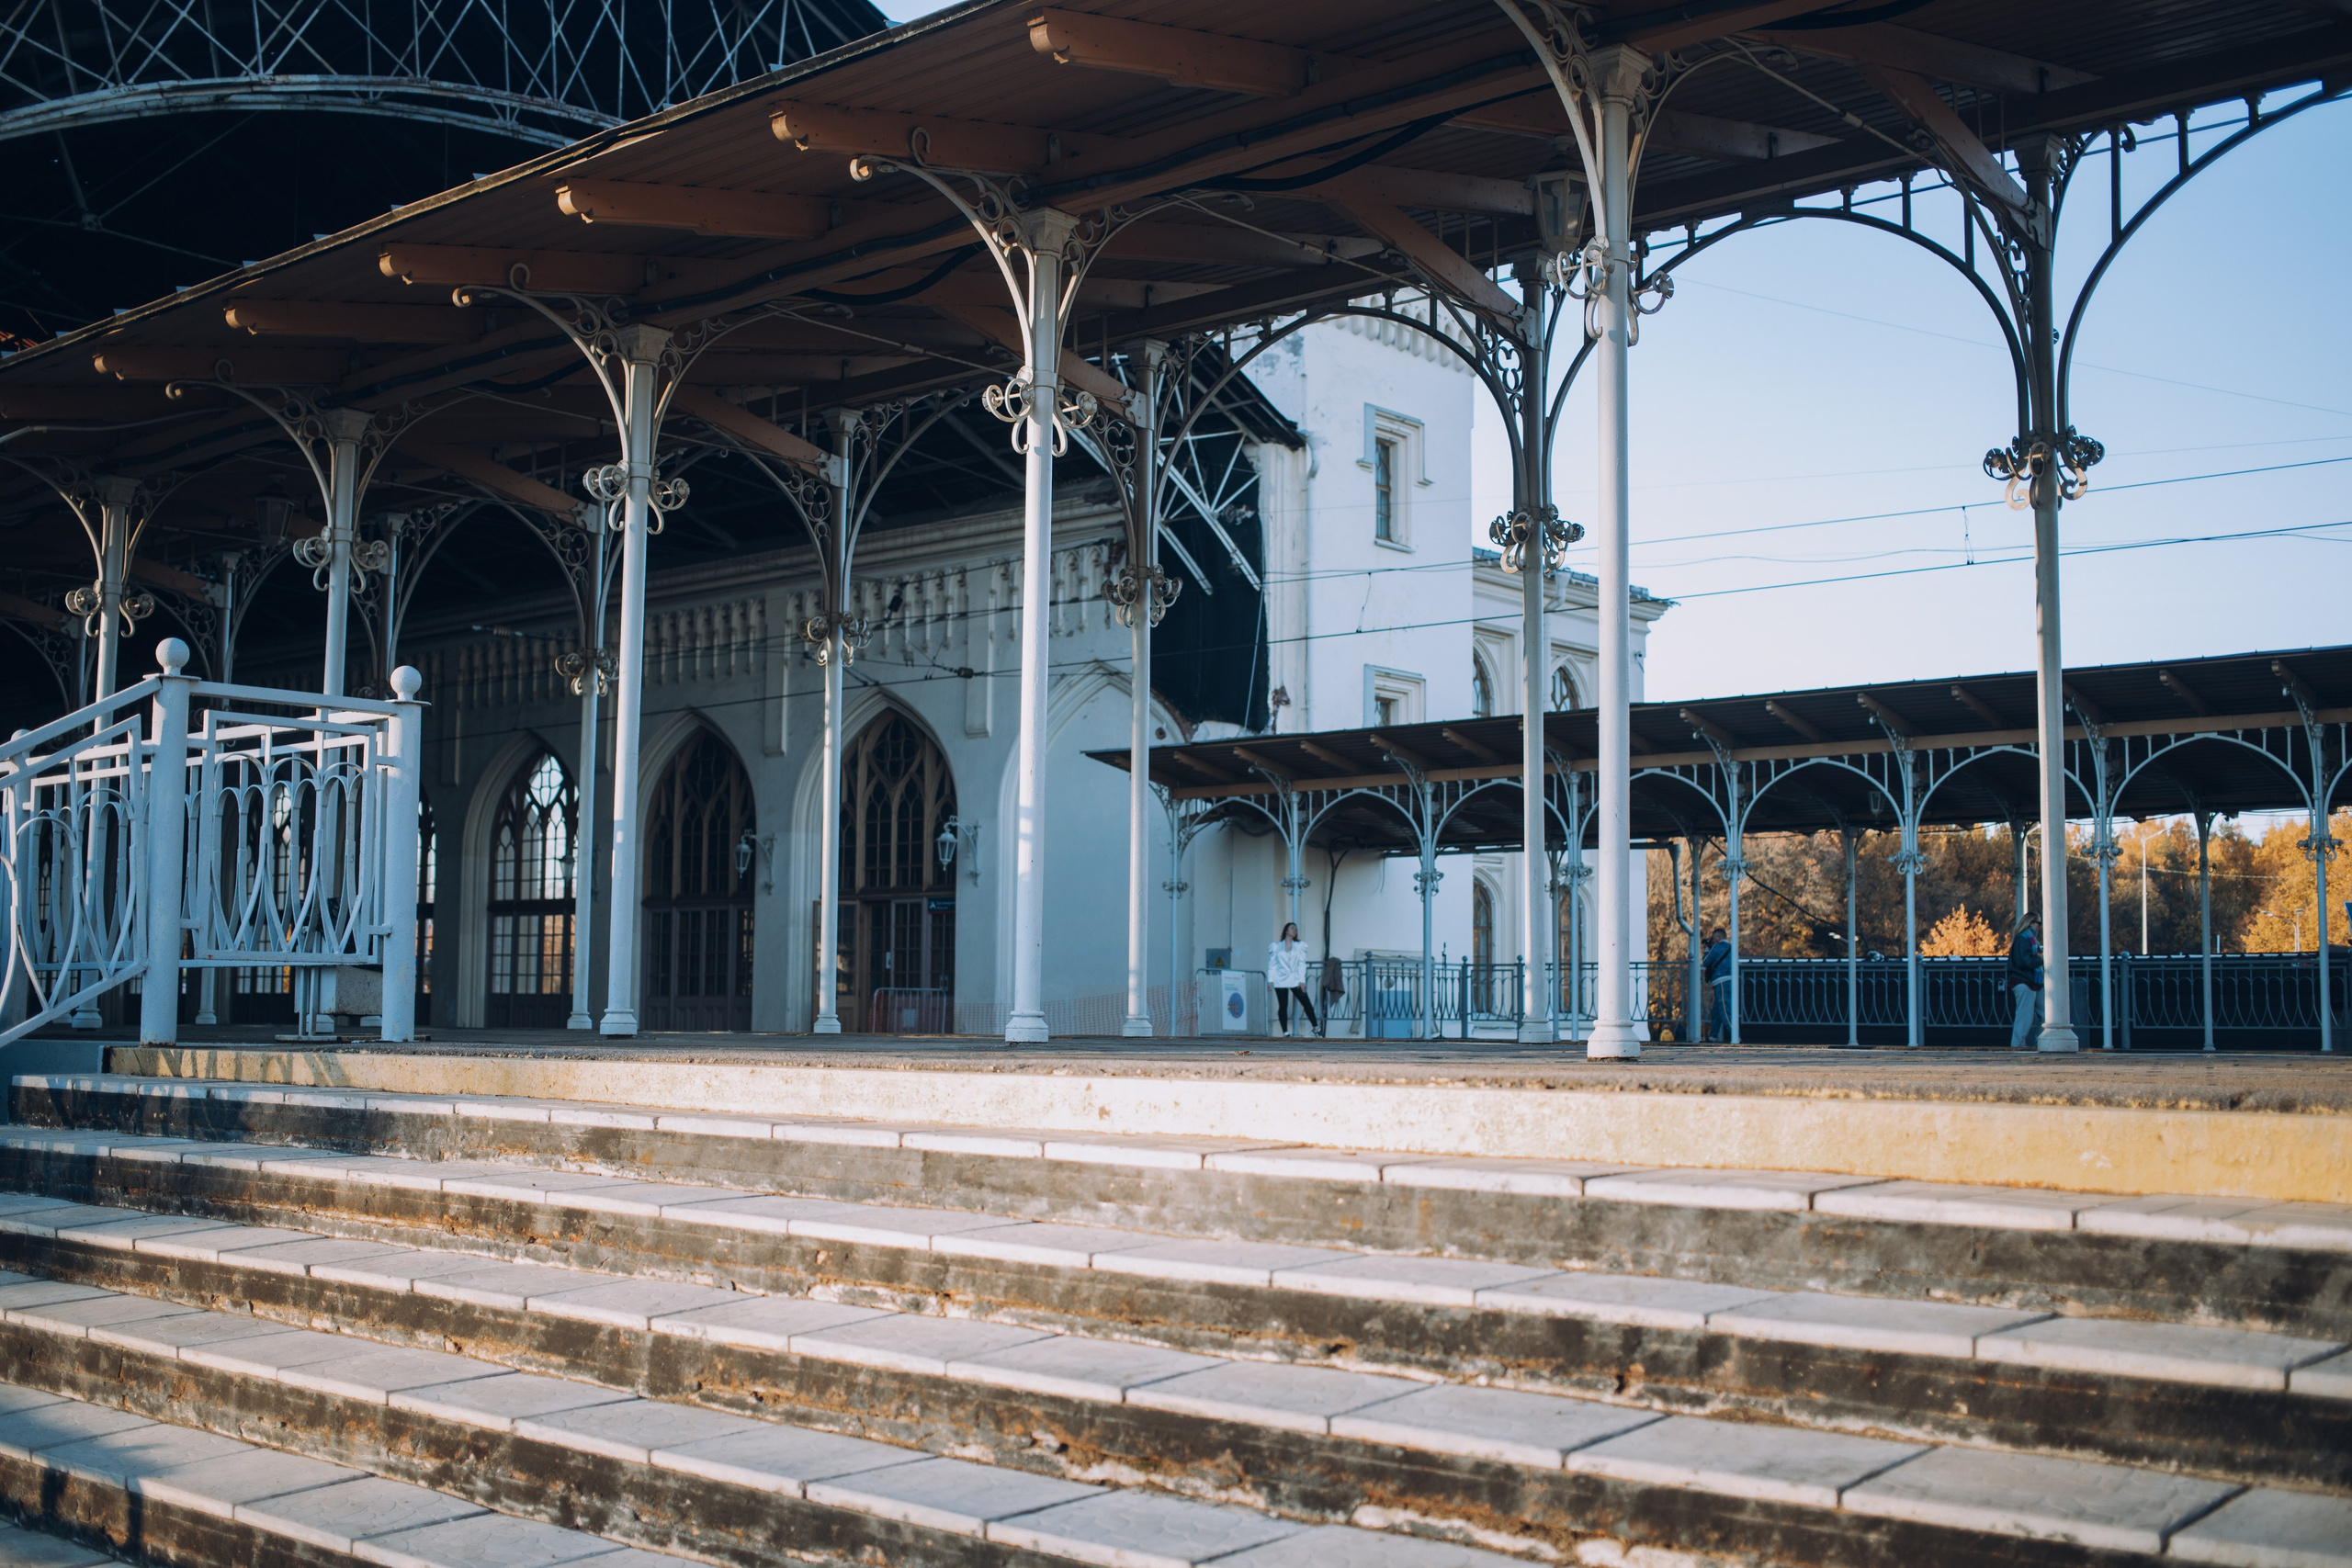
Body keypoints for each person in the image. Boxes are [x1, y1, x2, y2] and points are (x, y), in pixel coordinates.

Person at [1267, 922, 1319, 1038]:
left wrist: (1302, 981)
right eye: (1292, 928)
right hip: (1280, 978)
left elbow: (1302, 964)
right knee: (1283, 1005)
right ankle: (1285, 1032)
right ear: (1286, 930)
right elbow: (1272, 964)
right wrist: (1270, 980)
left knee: (1305, 1001)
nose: (1294, 930)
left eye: (1296, 929)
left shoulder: (1300, 946)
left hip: (1295, 979)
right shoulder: (1276, 946)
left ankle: (1316, 1027)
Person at [2006, 922, 2043, 1049]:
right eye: (2038, 923)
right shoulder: (2024, 940)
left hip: (2032, 982)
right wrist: (2041, 959)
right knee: (2025, 1016)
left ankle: (2040, 1041)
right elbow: (2024, 961)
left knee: (2044, 1014)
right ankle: (2018, 1044)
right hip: (2026, 981)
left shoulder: (2028, 940)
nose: (2039, 926)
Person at [1701, 926, 1733, 1043]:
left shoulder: (1718, 947)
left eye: (1713, 939)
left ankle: (1735, 1036)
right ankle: (1713, 1036)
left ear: (1719, 937)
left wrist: (1707, 949)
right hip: (1728, 980)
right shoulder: (1730, 948)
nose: (1712, 941)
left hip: (1721, 980)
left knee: (1725, 1009)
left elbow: (1706, 961)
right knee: (1716, 1011)